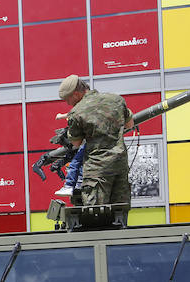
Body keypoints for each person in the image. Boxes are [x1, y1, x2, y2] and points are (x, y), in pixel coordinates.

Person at [57, 74, 134, 208]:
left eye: (68, 99)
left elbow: (76, 142)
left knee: (97, 215)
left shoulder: (77, 112)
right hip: (119, 166)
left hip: (97, 170)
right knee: (119, 214)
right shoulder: (116, 100)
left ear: (76, 94)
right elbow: (130, 124)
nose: (68, 104)